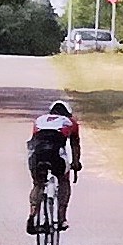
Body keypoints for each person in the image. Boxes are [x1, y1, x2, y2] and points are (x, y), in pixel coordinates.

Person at [27, 96, 84, 230]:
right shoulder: (70, 122)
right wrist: (76, 164)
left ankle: (32, 214)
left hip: (37, 154)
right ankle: (62, 218)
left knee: (38, 183)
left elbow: (33, 142)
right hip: (56, 154)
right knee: (64, 180)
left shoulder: (39, 120)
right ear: (68, 113)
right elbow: (75, 145)